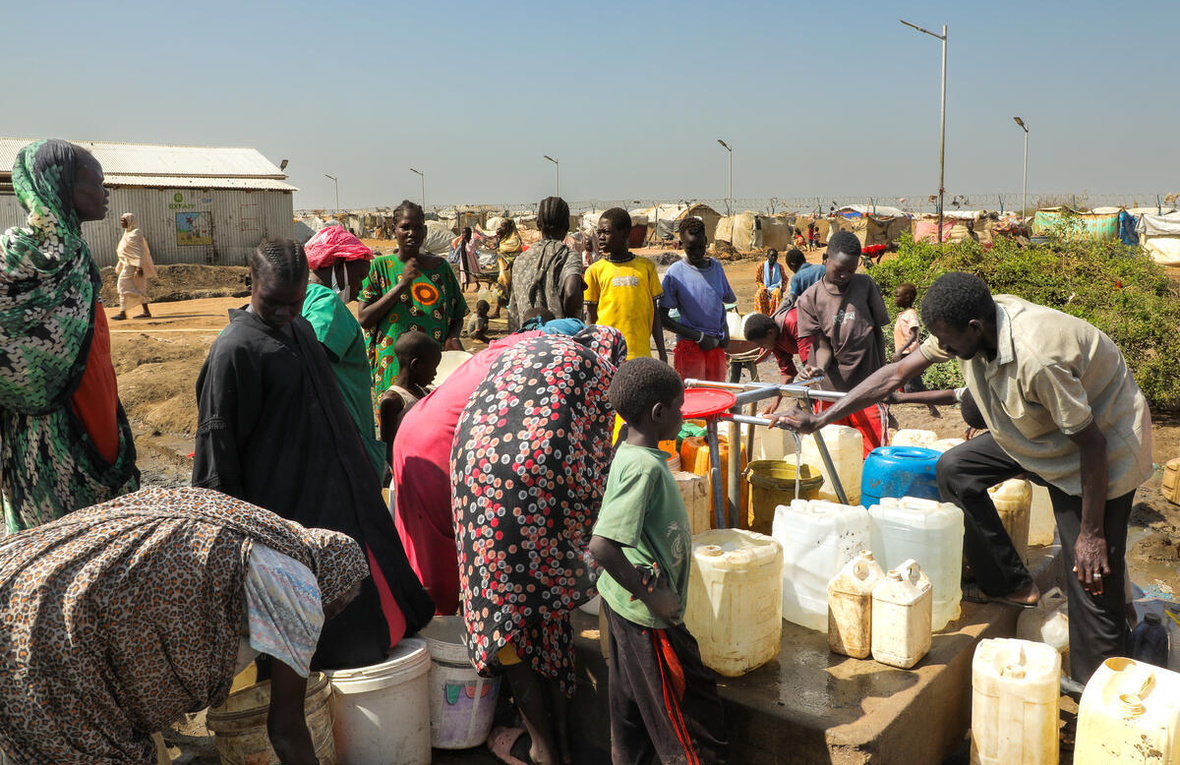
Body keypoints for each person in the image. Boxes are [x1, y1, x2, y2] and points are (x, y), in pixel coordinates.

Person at [776, 272, 1153, 684]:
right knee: (956, 469)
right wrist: (820, 418)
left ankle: (1098, 698)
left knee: (1091, 580)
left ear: (975, 328)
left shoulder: (1037, 357)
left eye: (950, 341)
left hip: (1099, 450)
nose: (946, 348)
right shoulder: (966, 325)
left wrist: (1092, 534)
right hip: (1034, 434)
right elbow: (894, 374)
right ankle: (1011, 583)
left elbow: (1092, 445)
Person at [193, 238, 435, 670]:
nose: (286, 314)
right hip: (288, 507)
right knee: (317, 636)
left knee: (378, 606)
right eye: (274, 303)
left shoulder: (300, 328)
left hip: (340, 490)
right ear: (252, 285)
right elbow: (218, 453)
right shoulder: (235, 351)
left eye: (295, 303)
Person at [0, 486, 367, 765]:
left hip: (21, 578)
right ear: (327, 577)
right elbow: (286, 730)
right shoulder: (299, 589)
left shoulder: (261, 531)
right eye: (338, 602)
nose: (332, 614)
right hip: (54, 634)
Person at [453, 329, 627, 765]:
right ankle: (552, 749)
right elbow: (596, 473)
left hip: (475, 480)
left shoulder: (530, 354)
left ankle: (546, 744)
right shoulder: (596, 369)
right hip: (530, 482)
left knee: (508, 609)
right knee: (544, 607)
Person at [391, 321, 606, 618]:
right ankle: (443, 643)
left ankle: (440, 632)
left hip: (418, 432)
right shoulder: (537, 361)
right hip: (440, 447)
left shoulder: (512, 348)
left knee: (432, 556)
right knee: (443, 562)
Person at [589, 358, 728, 765]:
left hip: (623, 603)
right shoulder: (645, 469)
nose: (683, 415)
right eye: (679, 407)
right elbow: (602, 546)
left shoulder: (630, 451)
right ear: (658, 413)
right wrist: (655, 601)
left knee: (630, 710)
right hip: (648, 617)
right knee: (690, 724)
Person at [0, 139, 139, 533]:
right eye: (96, 182)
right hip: (43, 433)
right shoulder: (14, 259)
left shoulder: (77, 254)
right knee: (54, 546)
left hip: (98, 407)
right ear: (60, 187)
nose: (105, 191)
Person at [795, 230, 890, 456]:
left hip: (868, 387)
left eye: (851, 270)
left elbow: (878, 335)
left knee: (873, 451)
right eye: (840, 269)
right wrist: (819, 368)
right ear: (825, 259)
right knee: (836, 453)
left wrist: (884, 379)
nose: (845, 275)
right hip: (832, 392)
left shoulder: (865, 287)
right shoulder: (810, 298)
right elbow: (823, 345)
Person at [300, 224, 384, 478]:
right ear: (337, 266)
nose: (360, 287)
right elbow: (314, 361)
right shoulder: (328, 303)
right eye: (358, 276)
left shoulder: (303, 297)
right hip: (343, 436)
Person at [358, 200, 466, 395]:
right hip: (393, 366)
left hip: (433, 369)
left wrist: (452, 336)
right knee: (394, 417)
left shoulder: (441, 268)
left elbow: (458, 314)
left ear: (424, 231)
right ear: (394, 230)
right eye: (405, 227)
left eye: (417, 228)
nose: (412, 233)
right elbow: (365, 318)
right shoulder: (381, 267)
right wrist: (401, 285)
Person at [659, 217, 736, 382]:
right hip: (690, 348)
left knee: (716, 397)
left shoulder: (716, 268)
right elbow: (662, 317)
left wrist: (725, 331)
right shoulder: (676, 273)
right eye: (690, 248)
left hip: (715, 344)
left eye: (700, 247)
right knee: (694, 399)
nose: (696, 253)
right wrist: (698, 337)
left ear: (706, 241)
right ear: (681, 244)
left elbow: (720, 302)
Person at [584, 208, 667, 361]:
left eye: (606, 232)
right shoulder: (594, 271)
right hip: (607, 355)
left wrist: (662, 353)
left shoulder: (646, 268)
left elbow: (654, 314)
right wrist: (591, 354)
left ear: (625, 233)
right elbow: (591, 317)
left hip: (640, 354)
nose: (600, 237)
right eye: (599, 232)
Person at [506, 196, 584, 332]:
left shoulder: (521, 259)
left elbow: (513, 308)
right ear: (567, 225)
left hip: (526, 342)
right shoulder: (568, 256)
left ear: (538, 224)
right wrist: (573, 326)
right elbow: (571, 293)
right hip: (558, 343)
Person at [378, 331, 441, 466]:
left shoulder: (423, 391)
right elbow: (388, 448)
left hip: (424, 463)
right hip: (406, 468)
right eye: (433, 368)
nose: (435, 374)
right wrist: (399, 471)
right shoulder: (393, 401)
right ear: (416, 365)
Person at [743, 303, 813, 415]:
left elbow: (811, 368)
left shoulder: (793, 323)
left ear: (770, 333)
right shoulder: (774, 341)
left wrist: (798, 408)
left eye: (761, 344)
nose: (762, 348)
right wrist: (776, 402)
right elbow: (788, 372)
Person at [892, 282, 939, 419]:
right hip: (904, 353)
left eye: (897, 296)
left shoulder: (911, 314)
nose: (895, 299)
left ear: (907, 298)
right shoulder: (903, 314)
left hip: (910, 353)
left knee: (914, 383)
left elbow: (913, 335)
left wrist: (900, 350)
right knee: (907, 383)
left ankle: (931, 406)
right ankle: (924, 407)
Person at [111, 212, 156, 320]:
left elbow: (139, 251)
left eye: (124, 221)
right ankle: (145, 311)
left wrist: (139, 266)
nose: (122, 223)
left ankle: (123, 312)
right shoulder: (127, 233)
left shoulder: (136, 233)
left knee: (122, 286)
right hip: (127, 264)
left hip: (134, 265)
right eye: (121, 221)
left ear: (130, 221)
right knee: (136, 287)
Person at [488, 218, 523, 319]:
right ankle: (497, 311)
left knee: (511, 291)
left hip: (512, 270)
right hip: (504, 270)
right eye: (501, 225)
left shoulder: (514, 240)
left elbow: (517, 254)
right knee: (503, 289)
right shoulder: (504, 239)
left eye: (504, 226)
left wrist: (511, 262)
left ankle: (505, 312)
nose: (501, 227)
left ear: (510, 227)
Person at [752, 248, 784, 315]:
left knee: (777, 293)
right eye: (772, 255)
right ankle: (761, 316)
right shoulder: (761, 266)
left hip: (775, 288)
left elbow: (785, 279)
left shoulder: (780, 267)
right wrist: (765, 289)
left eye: (775, 256)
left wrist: (782, 290)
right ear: (767, 256)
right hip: (764, 288)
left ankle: (774, 316)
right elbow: (758, 281)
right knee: (759, 294)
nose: (774, 258)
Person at [450, 226, 483, 292]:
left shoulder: (471, 241)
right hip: (463, 259)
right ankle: (463, 287)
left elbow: (470, 250)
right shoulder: (462, 241)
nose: (464, 234)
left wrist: (466, 242)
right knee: (463, 272)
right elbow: (454, 243)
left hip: (471, 259)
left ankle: (478, 284)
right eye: (463, 233)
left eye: (465, 233)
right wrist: (459, 237)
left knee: (473, 271)